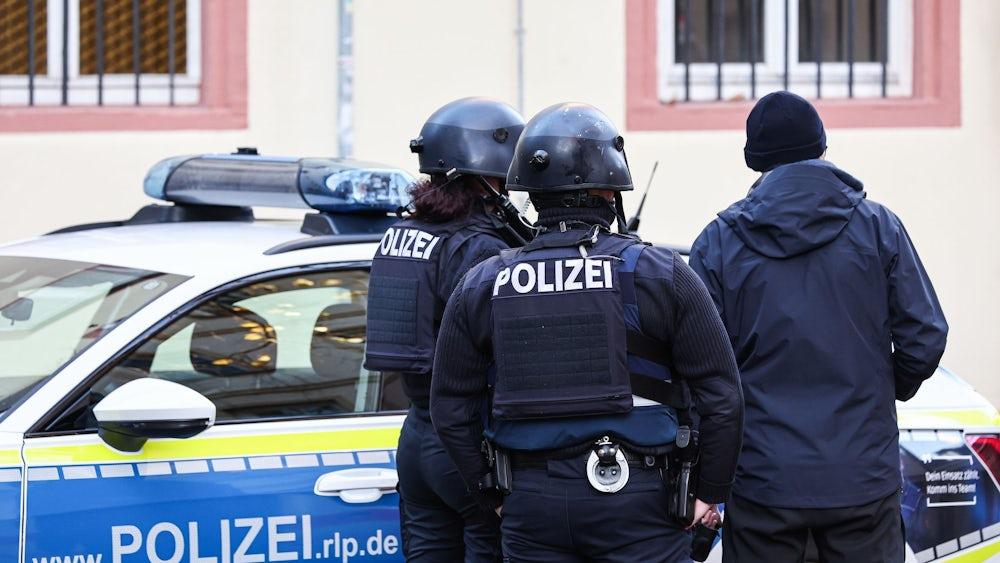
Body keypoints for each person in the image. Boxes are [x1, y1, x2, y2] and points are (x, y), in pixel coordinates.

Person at [430, 102, 744, 562]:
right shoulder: (659, 274)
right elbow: (722, 395)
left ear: (530, 191)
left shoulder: (484, 282)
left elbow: (449, 407)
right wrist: (709, 491)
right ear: (607, 188)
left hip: (531, 503)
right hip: (641, 502)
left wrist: (491, 494)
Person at [689, 91, 948, 563]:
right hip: (862, 478)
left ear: (754, 162)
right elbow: (925, 337)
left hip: (764, 484)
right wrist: (880, 389)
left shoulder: (719, 242)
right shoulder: (878, 228)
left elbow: (700, 369)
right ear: (822, 148)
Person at [364, 97, 526, 562]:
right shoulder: (477, 247)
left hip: (417, 437)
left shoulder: (404, 234)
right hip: (470, 441)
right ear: (488, 173)